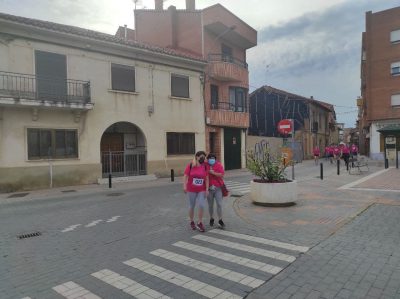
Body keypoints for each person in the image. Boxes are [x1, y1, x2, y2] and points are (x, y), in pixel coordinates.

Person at [183, 151, 209, 232]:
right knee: (192, 205)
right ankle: (191, 221)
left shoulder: (204, 166)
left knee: (201, 205)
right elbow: (185, 176)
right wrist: (184, 186)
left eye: (204, 157)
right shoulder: (191, 165)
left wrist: (207, 189)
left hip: (201, 189)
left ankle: (200, 222)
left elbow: (207, 178)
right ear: (197, 157)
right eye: (201, 157)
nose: (202, 158)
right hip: (191, 189)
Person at [206, 153, 226, 228]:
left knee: (219, 204)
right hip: (209, 188)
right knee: (210, 205)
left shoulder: (218, 165)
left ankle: (220, 220)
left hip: (218, 188)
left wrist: (213, 173)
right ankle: (211, 218)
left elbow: (222, 174)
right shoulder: (205, 165)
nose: (211, 160)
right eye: (210, 158)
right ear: (207, 159)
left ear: (215, 159)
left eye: (213, 158)